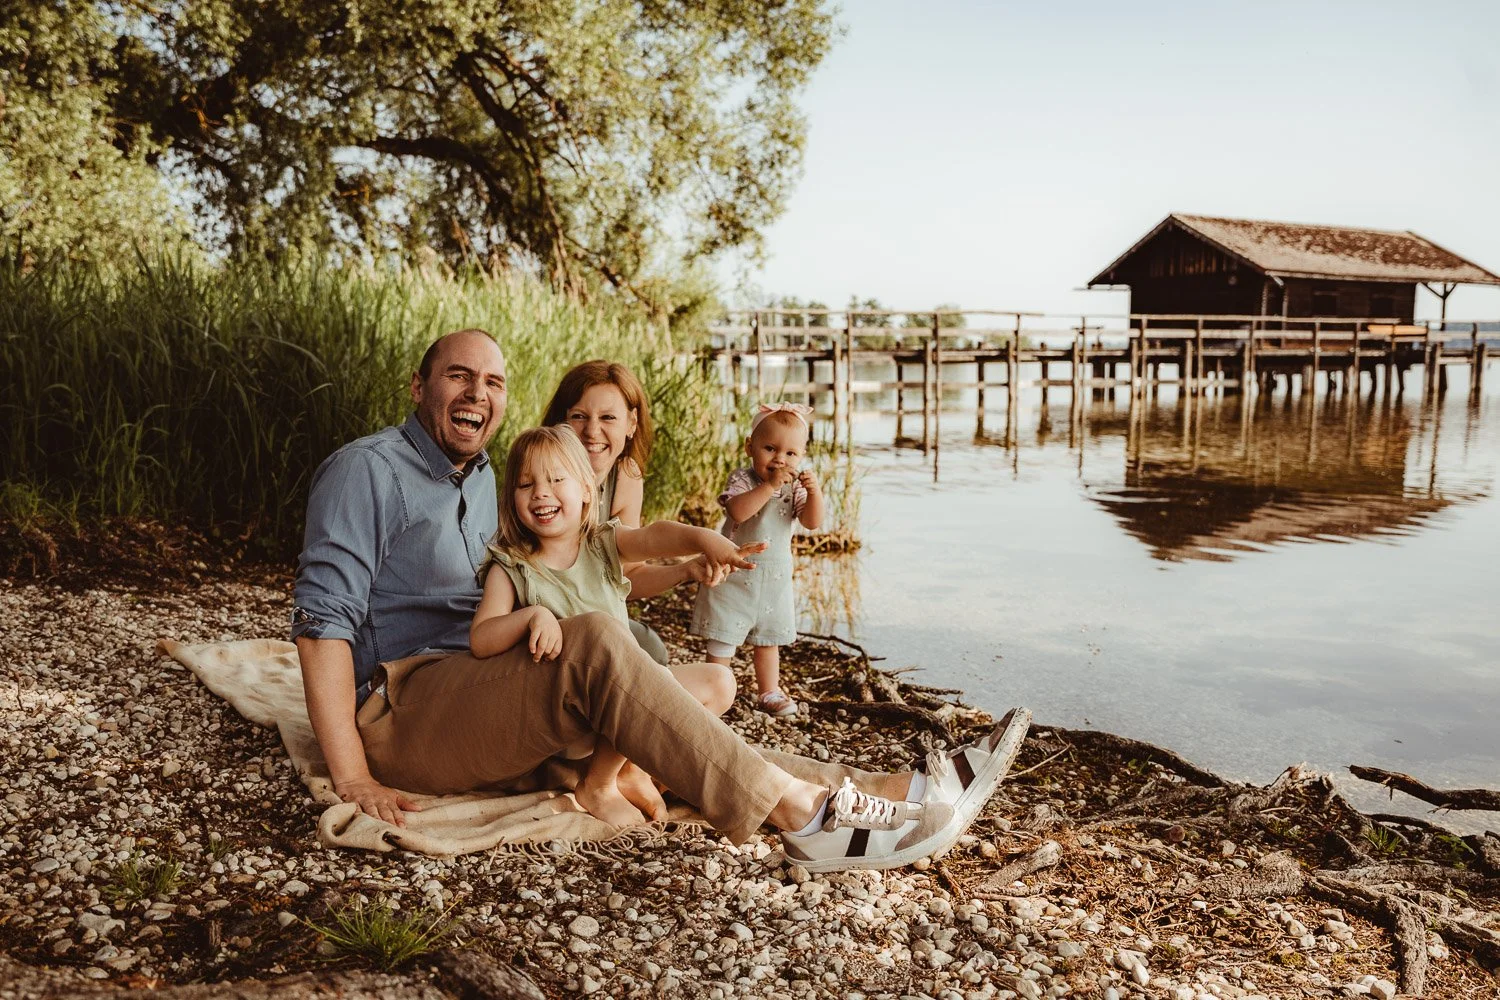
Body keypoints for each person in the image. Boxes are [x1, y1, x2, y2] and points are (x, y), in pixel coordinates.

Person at [291, 328, 1022, 872]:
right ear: (420, 388)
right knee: (600, 641)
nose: (478, 393)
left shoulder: (485, 479)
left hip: (495, 692)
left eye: (493, 381)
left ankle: (896, 793)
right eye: (458, 376)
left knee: (656, 720)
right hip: (408, 709)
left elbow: (599, 556)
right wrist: (353, 774)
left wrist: (686, 555)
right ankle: (802, 814)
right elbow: (322, 624)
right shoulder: (365, 472)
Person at [472, 425, 760, 827]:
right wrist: (532, 616)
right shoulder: (513, 566)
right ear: (512, 498)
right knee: (630, 682)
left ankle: (627, 767)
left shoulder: (601, 544)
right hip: (567, 719)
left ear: (588, 490)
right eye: (526, 484)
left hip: (622, 707)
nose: (541, 492)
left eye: (557, 480)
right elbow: (482, 639)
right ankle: (598, 783)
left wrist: (707, 540)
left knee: (720, 683)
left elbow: (655, 536)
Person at [541, 360, 707, 665]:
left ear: (631, 424)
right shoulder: (542, 476)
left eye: (608, 417)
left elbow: (629, 574)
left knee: (652, 650)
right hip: (543, 618)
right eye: (578, 416)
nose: (592, 431)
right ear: (558, 423)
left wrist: (686, 570)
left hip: (595, 615)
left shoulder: (626, 475)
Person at [691, 403, 821, 718]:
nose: (780, 459)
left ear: (801, 456)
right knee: (723, 635)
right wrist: (770, 486)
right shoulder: (745, 480)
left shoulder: (795, 488)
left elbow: (812, 523)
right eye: (770, 448)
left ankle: (769, 691)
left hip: (773, 581)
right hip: (734, 576)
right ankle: (712, 687)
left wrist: (815, 494)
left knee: (767, 639)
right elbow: (738, 512)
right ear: (750, 447)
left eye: (791, 454)